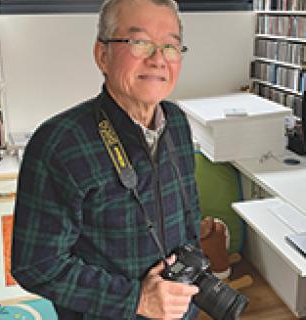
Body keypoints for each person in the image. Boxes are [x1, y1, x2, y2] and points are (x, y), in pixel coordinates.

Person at [11, 0, 203, 318]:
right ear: (103, 55)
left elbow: (189, 212)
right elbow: (37, 265)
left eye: (171, 46)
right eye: (140, 42)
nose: (158, 59)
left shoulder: (178, 123)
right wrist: (136, 300)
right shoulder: (59, 144)